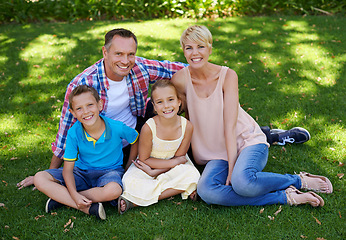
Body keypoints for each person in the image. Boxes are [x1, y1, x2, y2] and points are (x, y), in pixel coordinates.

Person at [17, 28, 310, 190]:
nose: (125, 60)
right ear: (104, 53)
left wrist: (221, 93)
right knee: (113, 169)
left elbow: (192, 68)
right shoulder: (83, 84)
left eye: (130, 53)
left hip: (138, 127)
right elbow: (66, 131)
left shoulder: (140, 66)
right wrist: (49, 171)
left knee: (192, 120)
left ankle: (267, 134)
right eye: (118, 53)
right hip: (116, 142)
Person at [171, 25, 333, 207]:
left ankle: (298, 181)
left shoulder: (227, 76)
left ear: (210, 48)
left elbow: (230, 126)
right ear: (183, 51)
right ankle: (286, 196)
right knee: (207, 191)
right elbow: (175, 112)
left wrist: (232, 168)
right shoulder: (180, 80)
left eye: (201, 46)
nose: (195, 53)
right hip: (215, 154)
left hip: (245, 141)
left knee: (242, 183)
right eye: (189, 48)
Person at [34, 85, 139, 220]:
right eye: (79, 108)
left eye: (90, 105)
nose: (85, 112)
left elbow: (135, 139)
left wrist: (129, 166)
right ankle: (88, 208)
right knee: (39, 178)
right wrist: (74, 194)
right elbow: (67, 170)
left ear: (100, 105)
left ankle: (61, 199)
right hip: (81, 172)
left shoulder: (116, 127)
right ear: (73, 113)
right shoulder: (74, 132)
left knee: (114, 190)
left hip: (110, 172)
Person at [118, 80, 200, 214]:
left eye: (170, 100)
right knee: (130, 181)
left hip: (174, 166)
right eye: (160, 102)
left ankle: (135, 201)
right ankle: (183, 188)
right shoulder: (149, 128)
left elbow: (180, 157)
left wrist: (157, 172)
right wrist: (152, 171)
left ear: (179, 101)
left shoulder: (187, 126)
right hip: (148, 165)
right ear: (154, 106)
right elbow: (144, 159)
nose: (166, 106)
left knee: (193, 174)